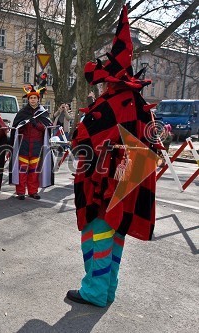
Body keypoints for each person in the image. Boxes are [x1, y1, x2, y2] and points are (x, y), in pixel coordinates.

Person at [67, 5, 157, 307]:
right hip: (125, 186)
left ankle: (94, 291)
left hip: (103, 186)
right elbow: (151, 146)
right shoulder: (139, 104)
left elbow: (83, 142)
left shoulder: (112, 103)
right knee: (114, 236)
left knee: (97, 235)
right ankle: (106, 290)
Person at [9, 84, 53, 200]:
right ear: (28, 99)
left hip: (37, 146)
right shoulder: (22, 112)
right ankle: (21, 192)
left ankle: (33, 191)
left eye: (35, 98)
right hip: (23, 145)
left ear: (38, 99)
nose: (33, 100)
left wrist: (36, 124)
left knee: (34, 171)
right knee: (22, 170)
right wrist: (23, 124)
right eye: (31, 98)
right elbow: (16, 128)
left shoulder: (43, 113)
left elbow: (47, 129)